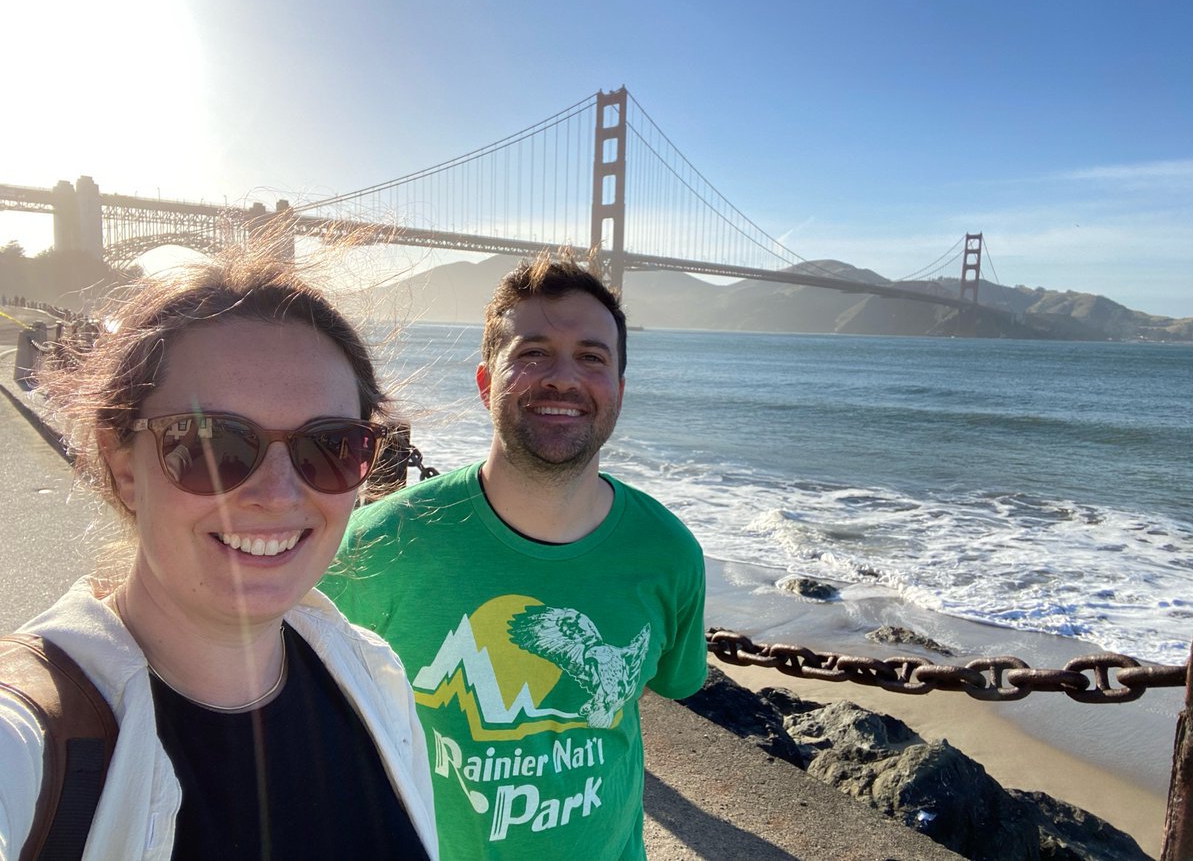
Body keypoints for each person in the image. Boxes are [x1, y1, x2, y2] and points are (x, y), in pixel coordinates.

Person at [0, 251, 439, 860]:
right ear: (123, 465)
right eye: (212, 442)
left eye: (331, 446)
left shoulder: (374, 679)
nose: (279, 494)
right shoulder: (26, 740)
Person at [322, 253, 708, 860]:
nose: (562, 377)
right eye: (531, 353)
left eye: (591, 356)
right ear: (485, 383)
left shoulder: (669, 553)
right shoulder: (377, 547)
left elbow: (670, 681)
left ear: (619, 391)